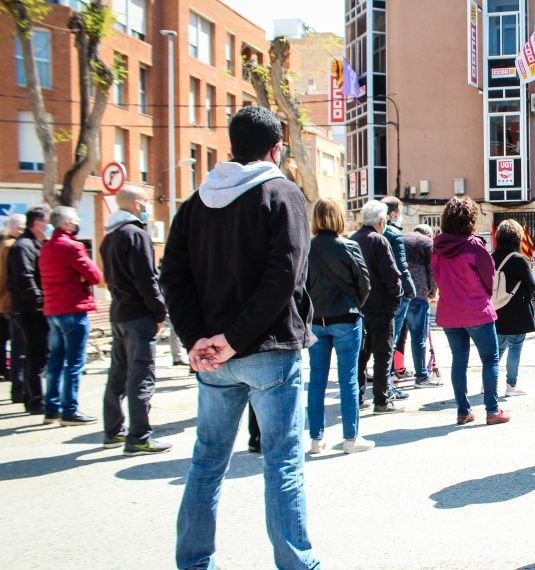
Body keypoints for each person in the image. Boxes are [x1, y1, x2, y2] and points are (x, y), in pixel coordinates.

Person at [163, 105, 320, 569]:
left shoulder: (196, 202)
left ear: (232, 148)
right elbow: (284, 276)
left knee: (207, 461)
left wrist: (197, 338)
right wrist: (232, 339)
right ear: (276, 149)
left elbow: (173, 276)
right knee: (282, 460)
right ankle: (296, 563)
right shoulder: (282, 193)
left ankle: (194, 562)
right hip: (267, 350)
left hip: (213, 356)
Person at [99, 186, 172, 455]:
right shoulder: (136, 234)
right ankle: (139, 436)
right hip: (139, 315)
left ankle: (113, 431)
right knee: (141, 375)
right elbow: (147, 279)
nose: (147, 206)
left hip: (119, 312)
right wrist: (159, 311)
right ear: (136, 205)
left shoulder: (110, 237)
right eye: (145, 201)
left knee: (117, 374)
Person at [432, 197, 508, 425]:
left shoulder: (437, 247)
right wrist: (483, 296)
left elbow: (436, 276)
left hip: (449, 311)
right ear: (471, 219)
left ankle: (463, 411)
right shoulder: (474, 246)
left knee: (459, 360)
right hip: (476, 310)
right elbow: (489, 278)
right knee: (490, 359)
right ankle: (492, 410)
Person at [307, 198, 374, 454]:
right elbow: (365, 283)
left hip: (316, 320)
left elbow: (300, 286)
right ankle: (350, 438)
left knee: (317, 380)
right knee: (348, 379)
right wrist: (354, 303)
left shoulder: (306, 247)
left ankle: (316, 439)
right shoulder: (349, 246)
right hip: (345, 317)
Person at [40, 206, 103, 425]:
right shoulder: (72, 247)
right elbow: (95, 276)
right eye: (75, 220)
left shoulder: (46, 247)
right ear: (66, 223)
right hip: (73, 309)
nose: (77, 224)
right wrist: (80, 277)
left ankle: (51, 409)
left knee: (55, 360)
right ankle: (70, 410)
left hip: (53, 309)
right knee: (74, 363)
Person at [350, 200, 404, 415]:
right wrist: (397, 297)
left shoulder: (352, 240)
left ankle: (358, 396)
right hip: (381, 306)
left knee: (361, 354)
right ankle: (381, 400)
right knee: (383, 354)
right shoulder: (379, 241)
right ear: (382, 221)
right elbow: (390, 273)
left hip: (359, 307)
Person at [8, 207, 49, 416]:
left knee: (34, 353)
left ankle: (29, 395)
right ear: (37, 224)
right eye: (46, 223)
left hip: (30, 308)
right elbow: (24, 277)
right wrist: (39, 301)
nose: (48, 227)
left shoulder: (32, 244)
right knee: (36, 354)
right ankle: (35, 400)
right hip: (29, 310)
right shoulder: (23, 246)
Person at [492, 219, 535, 398]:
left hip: (496, 311)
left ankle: (487, 383)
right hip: (517, 313)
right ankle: (511, 386)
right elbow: (531, 285)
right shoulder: (518, 259)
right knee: (515, 347)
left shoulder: (491, 257)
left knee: (497, 349)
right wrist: (524, 299)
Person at [380, 196, 416, 399]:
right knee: (391, 340)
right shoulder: (394, 235)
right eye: (400, 213)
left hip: (375, 295)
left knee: (379, 342)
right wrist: (411, 291)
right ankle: (387, 387)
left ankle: (382, 386)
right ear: (392, 214)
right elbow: (402, 267)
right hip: (396, 294)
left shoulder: (368, 234)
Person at [404, 224, 442, 387]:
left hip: (398, 296)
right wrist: (432, 292)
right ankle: (421, 376)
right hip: (418, 295)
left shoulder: (400, 239)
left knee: (395, 338)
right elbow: (432, 270)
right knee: (418, 338)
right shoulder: (427, 242)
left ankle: (390, 375)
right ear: (429, 234)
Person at [0, 214, 27, 403]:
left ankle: (18, 386)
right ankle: (19, 389)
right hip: (12, 302)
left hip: (7, 302)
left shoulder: (6, 245)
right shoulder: (13, 247)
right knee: (20, 347)